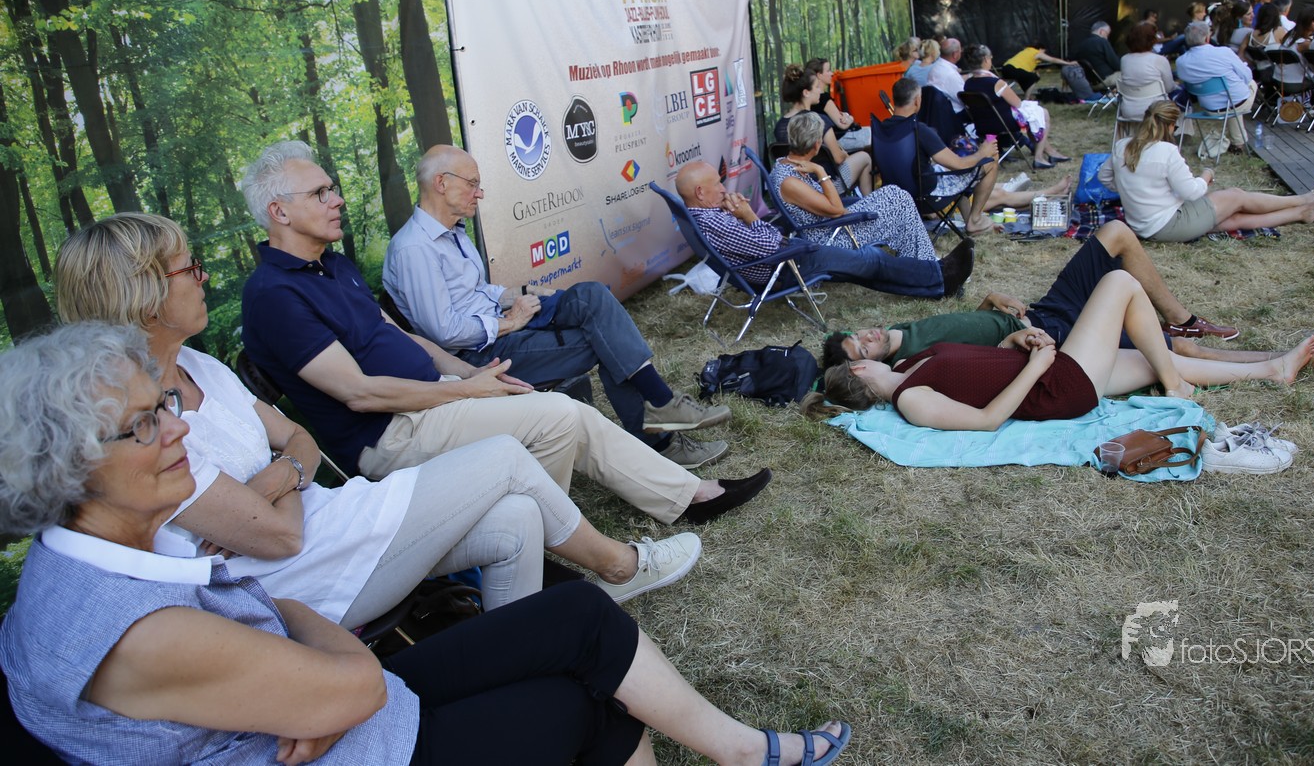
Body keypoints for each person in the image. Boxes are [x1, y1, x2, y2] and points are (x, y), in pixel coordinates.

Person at [0, 323, 852, 766]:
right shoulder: (131, 628)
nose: (177, 429)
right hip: (361, 742)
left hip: (340, 717)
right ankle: (628, 570)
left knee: (578, 620)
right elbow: (356, 685)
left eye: (165, 406)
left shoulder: (118, 549)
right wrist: (320, 680)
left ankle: (738, 749)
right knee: (585, 704)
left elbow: (284, 613)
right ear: (66, 466)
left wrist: (307, 670)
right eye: (143, 424)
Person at [52, 212, 703, 620]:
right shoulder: (131, 421)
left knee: (517, 516)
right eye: (188, 268)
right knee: (517, 449)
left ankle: (526, 651)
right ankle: (618, 565)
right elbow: (278, 538)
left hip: (329, 517)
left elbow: (297, 441)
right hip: (292, 580)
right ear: (144, 294)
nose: (203, 278)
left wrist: (275, 480)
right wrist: (290, 476)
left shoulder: (202, 367)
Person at [239, 141, 771, 527]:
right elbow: (360, 393)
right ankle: (622, 492)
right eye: (320, 193)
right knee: (565, 409)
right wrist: (472, 382)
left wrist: (475, 374)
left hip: (442, 389)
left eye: (332, 189)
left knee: (579, 361)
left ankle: (679, 491)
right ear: (278, 211)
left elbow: (409, 339)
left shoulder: (333, 267)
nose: (336, 200)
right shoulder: (275, 295)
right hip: (394, 429)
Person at [384, 145, 730, 468]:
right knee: (608, 342)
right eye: (472, 184)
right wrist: (510, 323)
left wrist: (523, 292)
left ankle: (662, 415)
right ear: (441, 183)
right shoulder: (415, 249)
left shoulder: (454, 233)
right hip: (479, 357)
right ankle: (662, 427)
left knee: (592, 296)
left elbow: (476, 292)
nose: (480, 193)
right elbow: (443, 331)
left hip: (502, 326)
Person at [821, 223, 1314, 386]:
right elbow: (982, 367)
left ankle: (1185, 317)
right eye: (861, 349)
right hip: (1055, 339)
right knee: (1169, 351)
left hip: (1043, 309)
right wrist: (1017, 338)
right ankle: (1291, 360)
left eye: (859, 334)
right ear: (866, 366)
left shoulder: (901, 327)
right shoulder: (910, 364)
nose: (867, 338)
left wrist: (993, 299)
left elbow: (972, 317)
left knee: (1115, 233)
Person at [821, 271, 1210, 428]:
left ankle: (1252, 369)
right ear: (858, 371)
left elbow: (977, 374)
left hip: (1047, 366)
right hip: (1057, 386)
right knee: (1120, 281)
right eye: (860, 356)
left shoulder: (907, 364)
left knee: (1150, 361)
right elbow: (987, 419)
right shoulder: (910, 400)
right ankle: (1175, 387)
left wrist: (1012, 343)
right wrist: (1035, 367)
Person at [675, 160, 971, 299]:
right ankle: (940, 276)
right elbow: (769, 244)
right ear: (700, 192)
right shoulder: (713, 221)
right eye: (717, 183)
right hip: (787, 264)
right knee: (871, 261)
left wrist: (742, 218)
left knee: (864, 268)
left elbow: (759, 242)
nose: (723, 188)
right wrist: (749, 216)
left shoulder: (704, 215)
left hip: (784, 259)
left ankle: (935, 284)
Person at [1100, 101, 1314, 243]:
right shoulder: (1166, 151)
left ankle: (1302, 213)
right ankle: (1303, 200)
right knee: (1236, 196)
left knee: (1233, 218)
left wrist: (1132, 189)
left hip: (1144, 225)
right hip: (1168, 223)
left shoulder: (1122, 145)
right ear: (1171, 125)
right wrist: (1207, 175)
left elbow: (1104, 177)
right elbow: (1192, 192)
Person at [770, 113, 938, 259]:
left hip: (834, 225)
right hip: (831, 237)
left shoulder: (785, 165)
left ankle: (919, 259)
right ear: (817, 145)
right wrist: (820, 171)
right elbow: (837, 210)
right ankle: (925, 261)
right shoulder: (790, 181)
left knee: (894, 192)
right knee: (901, 202)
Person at [879, 76, 1003, 235]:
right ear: (917, 101)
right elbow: (959, 164)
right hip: (926, 196)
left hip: (895, 194)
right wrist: (982, 153)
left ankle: (968, 219)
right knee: (990, 161)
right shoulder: (919, 130)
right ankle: (975, 220)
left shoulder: (881, 128)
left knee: (945, 169)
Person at [960, 44, 1069, 169]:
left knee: (1034, 116)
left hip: (982, 125)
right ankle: (1039, 158)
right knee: (1041, 113)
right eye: (990, 57)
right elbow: (1017, 103)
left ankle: (1051, 152)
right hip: (1004, 123)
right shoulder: (996, 83)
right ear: (985, 59)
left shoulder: (968, 84)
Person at [775, 64, 872, 195]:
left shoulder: (779, 126)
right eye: (816, 87)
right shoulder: (819, 121)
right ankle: (867, 202)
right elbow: (838, 159)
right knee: (865, 157)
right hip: (825, 185)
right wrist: (844, 153)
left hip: (796, 188)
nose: (820, 91)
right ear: (806, 92)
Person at [1173, 20, 1254, 152]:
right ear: (1207, 38)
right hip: (1236, 103)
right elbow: (1247, 76)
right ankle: (1238, 142)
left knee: (1231, 99)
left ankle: (1238, 143)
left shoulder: (1181, 62)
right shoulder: (1223, 52)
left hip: (1209, 107)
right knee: (1248, 85)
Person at [1118, 21, 1176, 130]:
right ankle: (1177, 135)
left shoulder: (1124, 59)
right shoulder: (1159, 60)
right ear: (1152, 40)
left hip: (1129, 110)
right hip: (1156, 111)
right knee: (1182, 101)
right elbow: (1169, 88)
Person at [806, 57, 870, 151]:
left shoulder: (810, 99)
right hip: (840, 140)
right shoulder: (823, 98)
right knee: (877, 134)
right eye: (828, 70)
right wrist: (850, 118)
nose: (832, 73)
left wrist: (845, 117)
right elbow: (842, 124)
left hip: (829, 143)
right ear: (819, 75)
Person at [999, 39, 1074, 95]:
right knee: (1035, 77)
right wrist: (1068, 63)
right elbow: (1052, 59)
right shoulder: (1037, 53)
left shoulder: (1026, 51)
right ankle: (1027, 100)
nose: (1044, 54)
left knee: (1026, 78)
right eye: (1044, 51)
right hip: (1014, 69)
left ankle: (1028, 96)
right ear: (1041, 49)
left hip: (1005, 69)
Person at [1070, 21, 1122, 88]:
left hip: (1089, 82)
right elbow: (1117, 65)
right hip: (1105, 80)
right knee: (1129, 74)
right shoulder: (1102, 42)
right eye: (1107, 34)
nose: (1107, 37)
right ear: (1101, 31)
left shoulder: (1082, 44)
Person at [930, 36, 968, 112]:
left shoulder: (934, 67)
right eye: (960, 50)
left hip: (938, 112)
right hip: (955, 115)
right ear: (955, 54)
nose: (961, 52)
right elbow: (966, 100)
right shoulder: (951, 74)